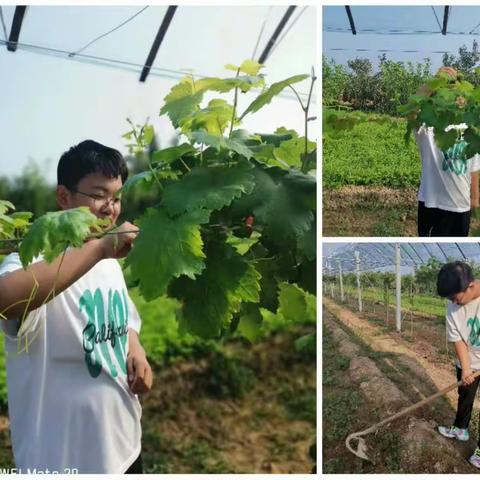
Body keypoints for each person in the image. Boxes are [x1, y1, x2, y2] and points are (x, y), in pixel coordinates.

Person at [0, 140, 153, 474]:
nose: (110, 208)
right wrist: (99, 249)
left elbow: (123, 319)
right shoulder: (32, 261)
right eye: (98, 195)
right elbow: (6, 299)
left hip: (124, 447)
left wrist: (135, 350)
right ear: (64, 197)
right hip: (62, 460)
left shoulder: (109, 260)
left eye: (116, 197)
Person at [414, 66, 480, 236]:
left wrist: (475, 198)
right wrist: (433, 83)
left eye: (457, 92)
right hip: (431, 204)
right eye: (446, 91)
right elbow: (412, 109)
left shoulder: (470, 128)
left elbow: (473, 165)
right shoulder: (427, 126)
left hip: (460, 205)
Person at [436, 261, 480, 468]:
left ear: (470, 286)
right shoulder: (452, 306)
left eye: (456, 296)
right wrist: (467, 368)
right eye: (450, 298)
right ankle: (460, 429)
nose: (453, 301)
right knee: (465, 395)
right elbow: (457, 339)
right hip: (468, 359)